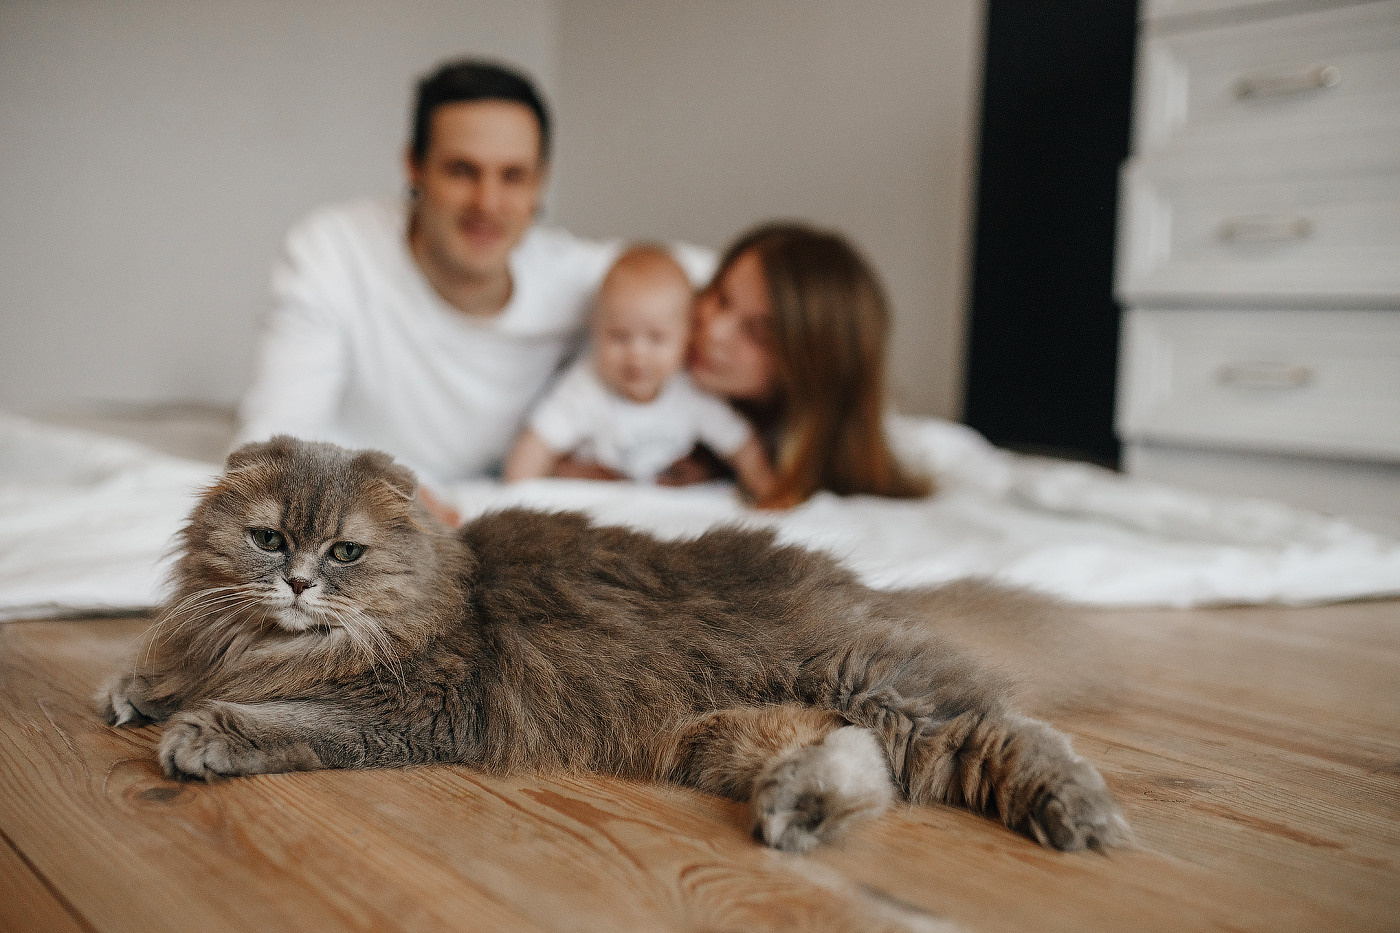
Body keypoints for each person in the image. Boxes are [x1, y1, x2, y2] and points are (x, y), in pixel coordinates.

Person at [235, 59, 708, 493]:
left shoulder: (586, 279)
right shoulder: (333, 253)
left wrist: (717, 455)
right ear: (414, 167)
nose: (488, 203)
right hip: (352, 496)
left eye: (513, 176)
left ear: (540, 183)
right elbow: (268, 451)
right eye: (463, 171)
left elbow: (738, 289)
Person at [562, 222, 931, 510]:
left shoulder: (799, 438)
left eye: (758, 334)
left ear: (805, 374)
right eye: (721, 297)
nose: (714, 331)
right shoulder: (651, 300)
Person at [504, 246, 775, 500]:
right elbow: (536, 444)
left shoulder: (689, 390)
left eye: (656, 339)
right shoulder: (587, 386)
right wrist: (516, 494)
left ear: (686, 338)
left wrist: (767, 489)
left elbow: (741, 445)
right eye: (619, 336)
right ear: (596, 330)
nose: (637, 355)